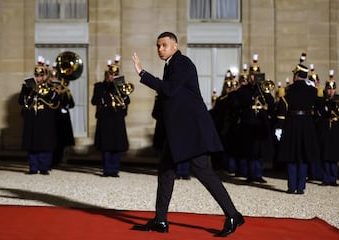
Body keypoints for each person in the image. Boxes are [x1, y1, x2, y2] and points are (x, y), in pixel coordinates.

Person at [131, 32, 244, 237]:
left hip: (192, 130)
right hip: (179, 131)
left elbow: (170, 90)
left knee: (202, 170)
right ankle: (161, 220)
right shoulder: (171, 65)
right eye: (158, 46)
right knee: (166, 171)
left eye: (164, 45)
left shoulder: (182, 63)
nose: (160, 49)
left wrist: (143, 74)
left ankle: (233, 215)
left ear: (175, 45)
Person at [275, 57, 320, 194]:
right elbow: (318, 108)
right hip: (307, 124)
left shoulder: (288, 90)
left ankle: (292, 186)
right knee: (304, 156)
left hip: (292, 123)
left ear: (296, 75)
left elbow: (282, 110)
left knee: (292, 156)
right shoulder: (312, 91)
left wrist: (279, 126)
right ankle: (301, 187)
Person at [230, 54, 275, 183]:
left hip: (261, 123)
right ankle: (250, 174)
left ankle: (258, 174)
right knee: (250, 150)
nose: (253, 77)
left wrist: (264, 92)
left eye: (256, 75)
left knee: (260, 150)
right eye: (252, 75)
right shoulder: (243, 90)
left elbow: (271, 103)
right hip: (249, 122)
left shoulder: (263, 89)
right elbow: (236, 103)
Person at [18, 56, 60, 175]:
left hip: (45, 119)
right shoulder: (27, 87)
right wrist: (30, 91)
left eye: (41, 76)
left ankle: (44, 167)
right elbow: (21, 101)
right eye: (37, 76)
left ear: (45, 76)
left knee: (45, 142)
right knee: (32, 142)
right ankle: (33, 166)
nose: (39, 78)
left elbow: (56, 100)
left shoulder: (51, 87)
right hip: (32, 118)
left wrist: (41, 93)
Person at [91, 56, 130, 177]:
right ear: (107, 75)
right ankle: (107, 169)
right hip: (105, 118)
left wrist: (121, 91)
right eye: (111, 75)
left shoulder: (121, 86)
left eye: (115, 75)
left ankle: (115, 169)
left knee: (117, 145)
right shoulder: (99, 86)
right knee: (106, 145)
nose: (113, 77)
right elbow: (94, 101)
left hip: (117, 118)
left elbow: (127, 101)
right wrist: (105, 93)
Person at [314, 70, 339, 186]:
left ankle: (333, 178)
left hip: (335, 129)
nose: (331, 91)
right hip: (325, 128)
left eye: (333, 89)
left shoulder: (337, 101)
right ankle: (325, 177)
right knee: (325, 153)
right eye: (329, 89)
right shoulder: (322, 100)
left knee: (334, 155)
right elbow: (321, 113)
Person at [49, 62, 75, 167]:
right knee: (52, 140)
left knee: (62, 141)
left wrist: (65, 105)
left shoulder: (66, 91)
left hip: (63, 118)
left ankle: (60, 160)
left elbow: (72, 104)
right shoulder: (48, 90)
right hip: (52, 117)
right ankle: (51, 161)